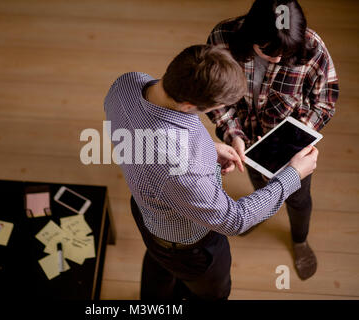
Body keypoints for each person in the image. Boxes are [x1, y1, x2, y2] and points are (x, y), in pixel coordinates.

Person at [104, 44, 318, 300]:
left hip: (146, 213)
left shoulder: (127, 82)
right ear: (187, 106)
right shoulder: (183, 168)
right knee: (212, 294)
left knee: (157, 269)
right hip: (188, 248)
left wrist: (209, 150)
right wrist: (293, 175)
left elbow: (146, 138)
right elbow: (235, 220)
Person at [206, 0, 339, 280]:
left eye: (285, 54)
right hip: (247, 142)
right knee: (257, 183)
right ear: (250, 35)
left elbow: (325, 101)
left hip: (292, 149)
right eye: (267, 51)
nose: (277, 59)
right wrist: (232, 133)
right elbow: (215, 96)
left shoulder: (313, 48)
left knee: (299, 198)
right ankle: (260, 212)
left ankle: (299, 238)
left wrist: (301, 133)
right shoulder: (222, 39)